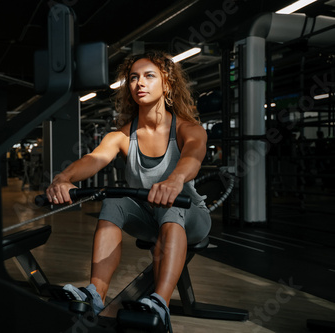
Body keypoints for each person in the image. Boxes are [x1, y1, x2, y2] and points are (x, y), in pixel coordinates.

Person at [46, 50, 211, 331]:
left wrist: (174, 181)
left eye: (149, 76)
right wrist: (62, 178)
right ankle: (95, 293)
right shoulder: (122, 136)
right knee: (115, 199)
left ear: (167, 84)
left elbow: (192, 158)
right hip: (148, 218)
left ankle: (160, 303)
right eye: (133, 78)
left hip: (189, 216)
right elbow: (93, 159)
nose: (139, 83)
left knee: (171, 206)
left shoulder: (188, 128)